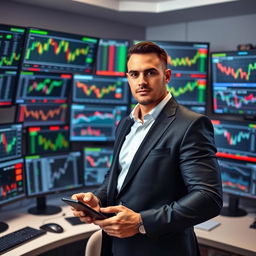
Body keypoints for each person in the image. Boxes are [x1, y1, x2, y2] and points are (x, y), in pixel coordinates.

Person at [71, 41, 223, 256]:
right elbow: (118, 177)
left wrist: (141, 221)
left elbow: (208, 198)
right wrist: (96, 199)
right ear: (127, 78)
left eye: (150, 72)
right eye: (134, 74)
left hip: (162, 249)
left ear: (167, 76)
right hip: (116, 246)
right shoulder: (125, 124)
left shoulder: (191, 124)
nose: (141, 81)